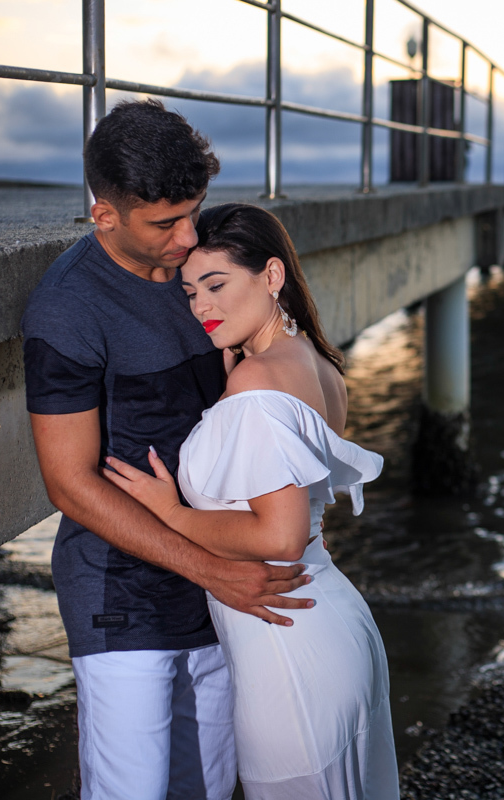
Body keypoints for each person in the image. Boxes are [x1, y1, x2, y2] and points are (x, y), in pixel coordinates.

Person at [22, 100, 313, 800]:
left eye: (196, 210)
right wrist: (211, 566)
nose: (189, 237)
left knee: (210, 786)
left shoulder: (206, 263)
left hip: (219, 582)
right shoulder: (69, 308)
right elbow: (69, 484)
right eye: (165, 224)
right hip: (120, 591)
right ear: (104, 215)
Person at [103, 203, 399, 800]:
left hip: (288, 640)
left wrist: (170, 513)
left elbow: (280, 536)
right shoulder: (319, 366)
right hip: (325, 617)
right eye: (190, 292)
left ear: (271, 276)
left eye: (216, 285)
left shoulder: (256, 380)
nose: (202, 307)